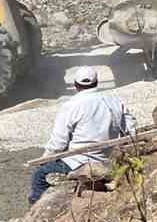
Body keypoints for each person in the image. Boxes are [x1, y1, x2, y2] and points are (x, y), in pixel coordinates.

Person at [29, 65, 135, 204]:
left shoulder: (71, 105)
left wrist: (45, 159)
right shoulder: (115, 101)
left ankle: (38, 215)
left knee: (40, 176)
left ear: (76, 85)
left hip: (78, 162)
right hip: (106, 159)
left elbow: (58, 143)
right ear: (97, 82)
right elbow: (131, 128)